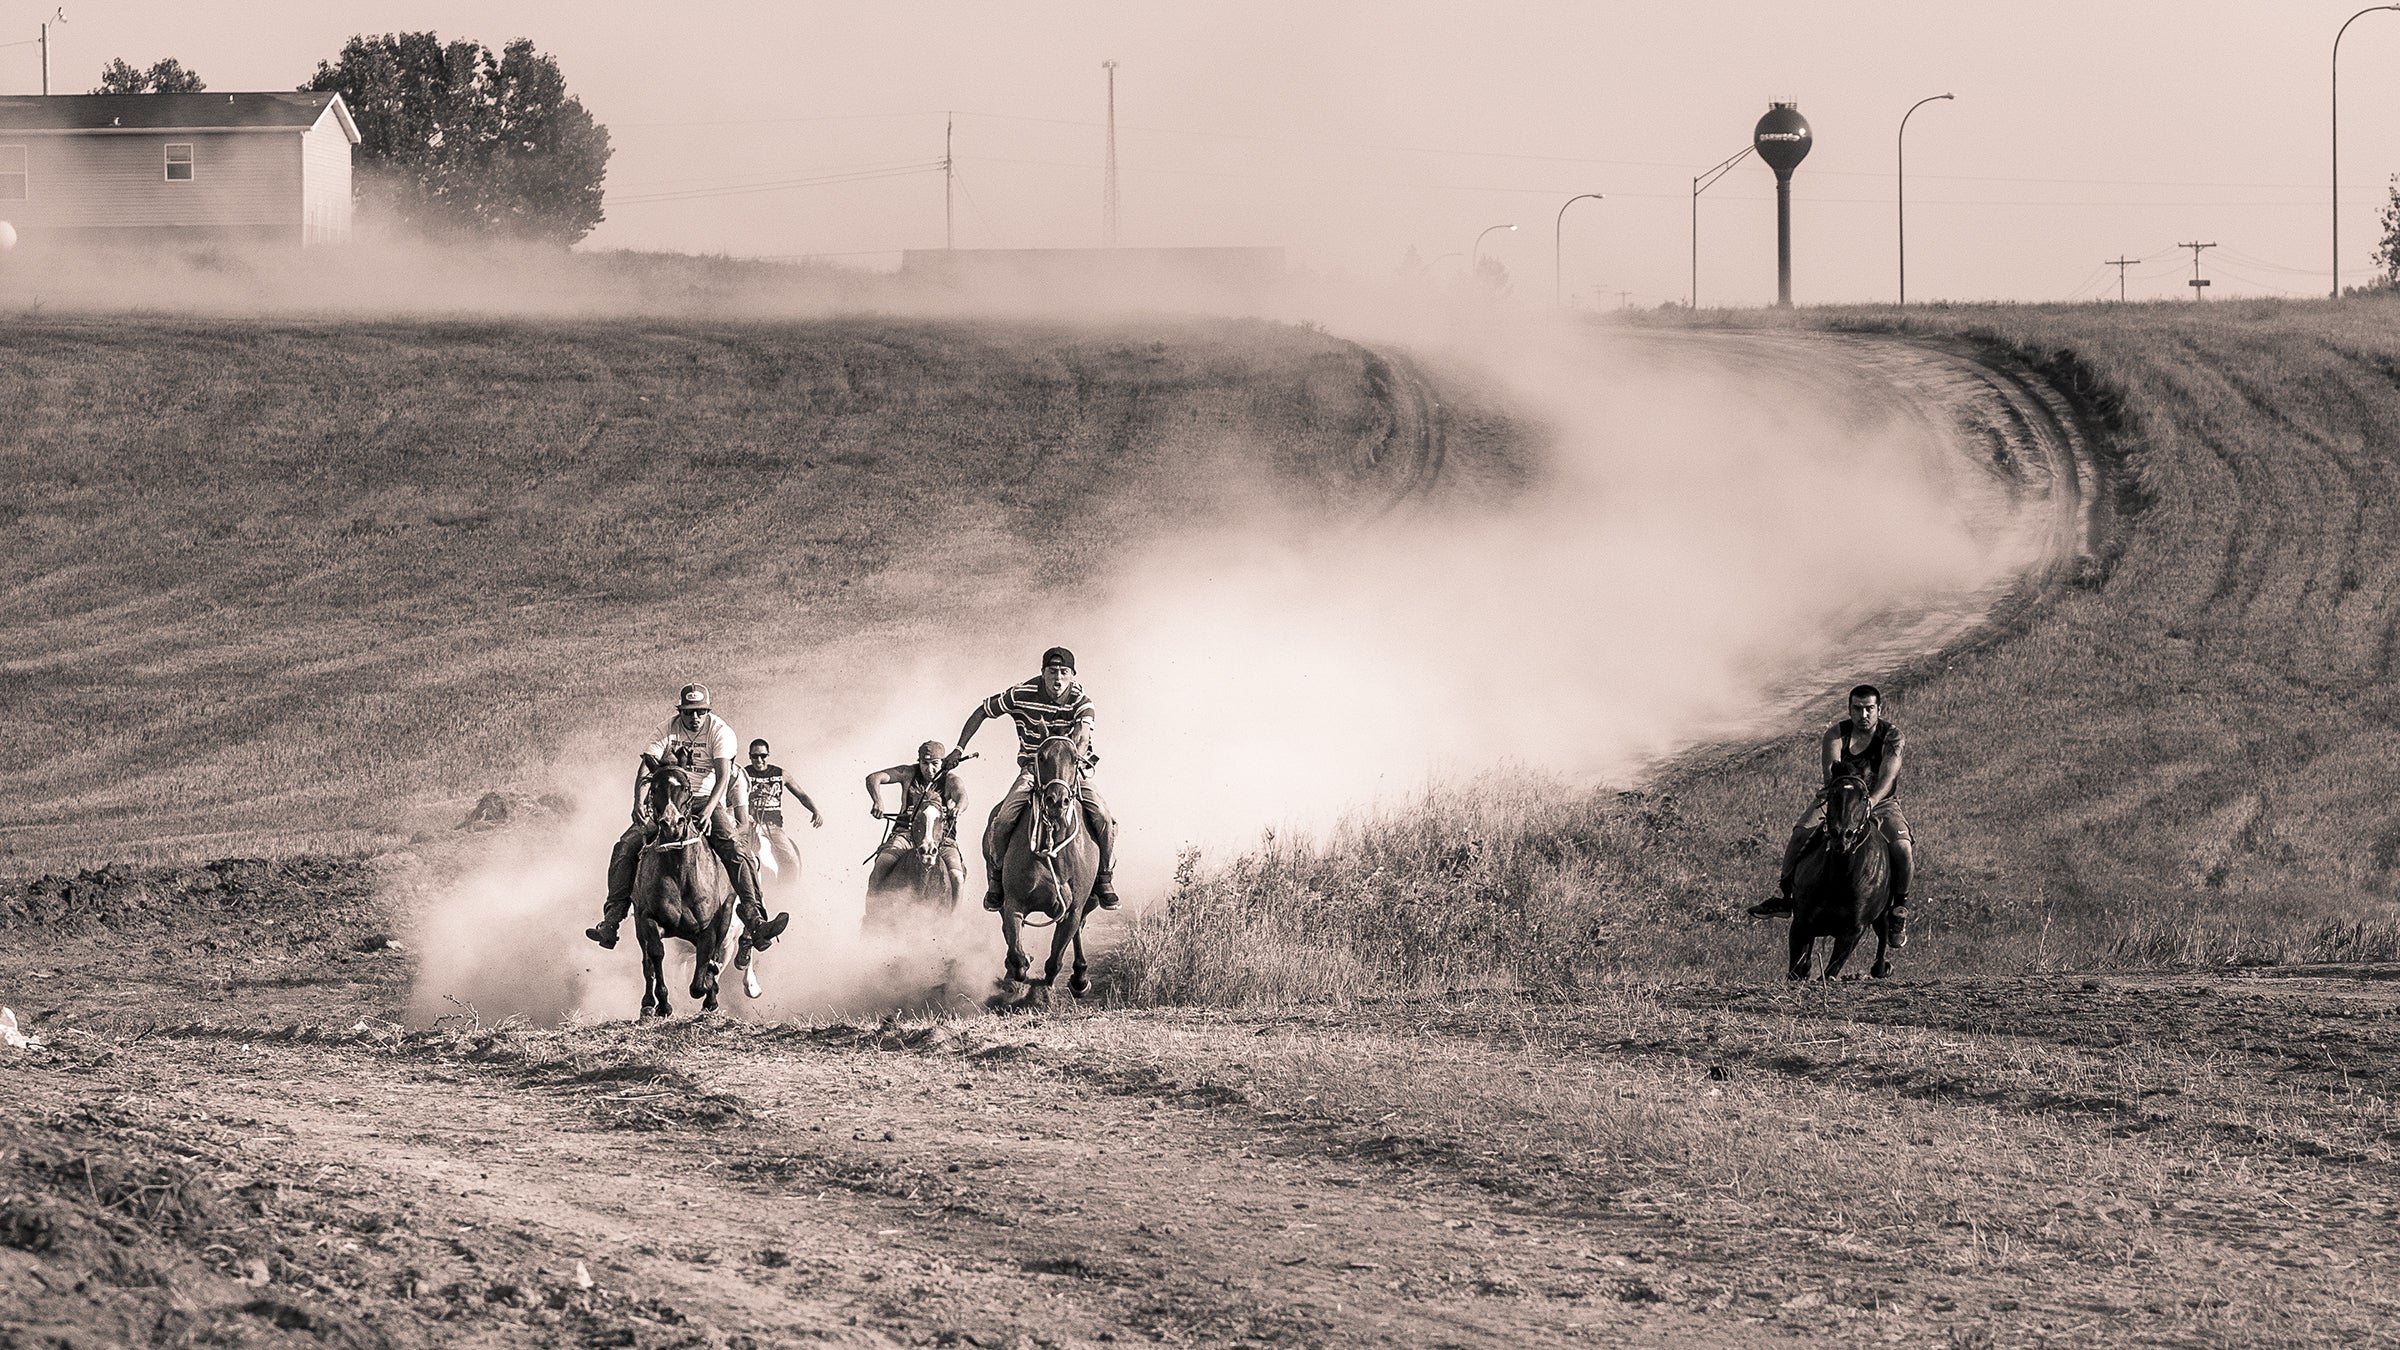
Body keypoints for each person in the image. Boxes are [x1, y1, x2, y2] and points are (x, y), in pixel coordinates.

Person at [585, 684, 791, 951]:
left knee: (735, 847)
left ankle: (754, 920)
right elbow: (645, 768)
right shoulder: (665, 729)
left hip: (706, 798)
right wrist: (638, 801)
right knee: (625, 846)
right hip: (669, 799)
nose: (695, 717)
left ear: (708, 711)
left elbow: (723, 776)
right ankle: (612, 919)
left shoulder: (720, 731)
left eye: (701, 712)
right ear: (680, 711)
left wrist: (708, 811)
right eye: (689, 712)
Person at [947, 646, 1120, 912]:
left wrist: (1073, 758)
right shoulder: (1021, 693)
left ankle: (1103, 877)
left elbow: (1084, 735)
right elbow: (983, 710)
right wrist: (959, 748)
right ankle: (997, 880)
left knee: (1104, 817)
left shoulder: (1082, 702)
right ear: (1042, 673)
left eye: (1064, 672)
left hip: (1071, 771)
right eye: (1052, 672)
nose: (1058, 678)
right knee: (1002, 819)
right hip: (1033, 770)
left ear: (1073, 675)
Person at [1747, 683, 1916, 945]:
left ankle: (1899, 910)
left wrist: (1871, 800)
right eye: (1857, 709)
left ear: (1879, 709)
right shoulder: (1836, 734)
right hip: (1839, 799)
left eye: (1869, 709)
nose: (1863, 715)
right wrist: (1841, 799)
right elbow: (1831, 774)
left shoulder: (1892, 737)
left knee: (1903, 849)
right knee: (1800, 834)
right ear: (1849, 709)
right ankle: (1786, 897)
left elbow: (1888, 775)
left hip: (1880, 802)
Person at [864, 740, 969, 896]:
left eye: (934, 763)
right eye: (924, 763)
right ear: (919, 761)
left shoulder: (951, 780)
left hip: (942, 839)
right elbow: (874, 778)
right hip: (906, 835)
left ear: (942, 762)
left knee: (957, 877)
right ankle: (871, 915)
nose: (929, 769)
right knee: (881, 866)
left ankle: (955, 919)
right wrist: (877, 801)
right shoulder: (908, 773)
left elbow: (962, 797)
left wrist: (958, 808)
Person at [741, 738, 821, 873]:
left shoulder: (781, 774)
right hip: (748, 827)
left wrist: (815, 811)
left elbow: (801, 795)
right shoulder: (742, 774)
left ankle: (789, 892)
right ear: (749, 756)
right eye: (755, 756)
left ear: (768, 755)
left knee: (792, 860)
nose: (759, 760)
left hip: (773, 827)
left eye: (763, 756)